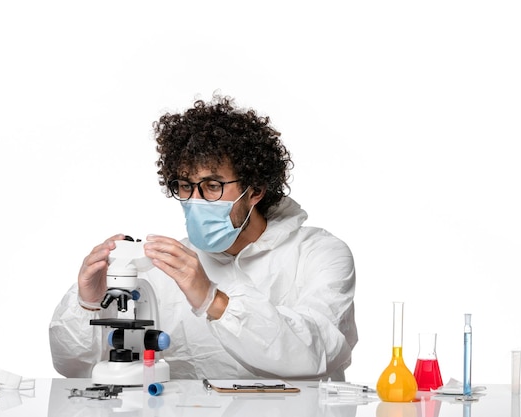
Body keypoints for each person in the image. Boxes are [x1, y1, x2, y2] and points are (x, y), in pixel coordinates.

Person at [49, 94, 358, 381]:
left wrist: (212, 299)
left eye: (212, 186)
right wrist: (89, 302)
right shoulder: (164, 267)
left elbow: (315, 352)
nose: (195, 200)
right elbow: (74, 367)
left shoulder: (319, 253)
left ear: (255, 190)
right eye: (185, 185)